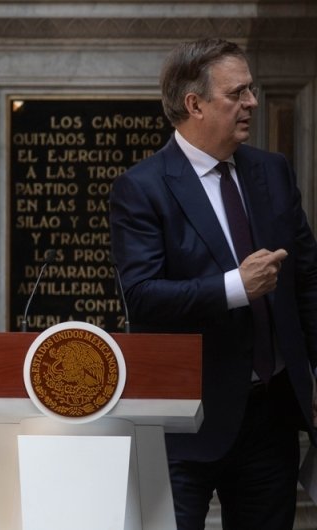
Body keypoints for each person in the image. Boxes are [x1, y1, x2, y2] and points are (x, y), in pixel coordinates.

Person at [110, 38, 317, 529]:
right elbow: (142, 297)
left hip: (271, 418)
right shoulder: (142, 188)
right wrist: (235, 287)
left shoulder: (273, 171)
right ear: (195, 104)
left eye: (252, 90)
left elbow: (307, 278)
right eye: (238, 92)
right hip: (184, 420)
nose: (252, 102)